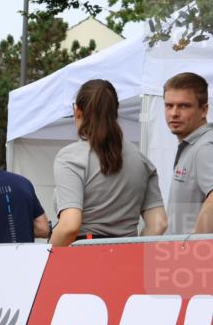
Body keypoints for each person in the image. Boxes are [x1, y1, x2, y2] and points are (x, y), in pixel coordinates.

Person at [51, 79, 167, 246]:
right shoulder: (142, 161)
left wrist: (46, 258)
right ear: (116, 113)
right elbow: (159, 224)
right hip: (127, 259)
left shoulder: (70, 158)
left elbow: (69, 226)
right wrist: (133, 249)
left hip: (84, 257)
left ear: (77, 111)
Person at [163, 72, 213, 234]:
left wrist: (193, 247)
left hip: (194, 256)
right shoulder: (193, 145)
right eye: (169, 105)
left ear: (204, 110)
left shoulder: (205, 146)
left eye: (184, 105)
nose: (174, 113)